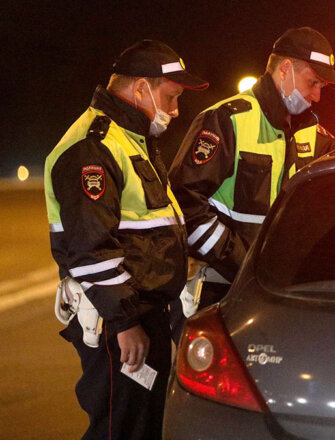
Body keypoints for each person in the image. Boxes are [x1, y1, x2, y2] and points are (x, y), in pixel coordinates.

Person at [44, 40, 208, 439]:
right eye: (170, 97)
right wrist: (125, 322)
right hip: (118, 320)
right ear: (140, 88)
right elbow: (90, 249)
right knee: (120, 428)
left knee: (142, 425)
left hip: (141, 312)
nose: (175, 110)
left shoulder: (130, 139)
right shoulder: (94, 147)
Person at [168, 27, 335, 336]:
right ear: (285, 69)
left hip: (277, 296)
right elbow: (184, 203)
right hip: (218, 292)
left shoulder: (315, 136)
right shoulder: (227, 120)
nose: (317, 95)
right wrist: (243, 265)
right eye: (313, 82)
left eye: (322, 86)